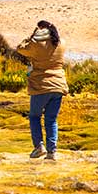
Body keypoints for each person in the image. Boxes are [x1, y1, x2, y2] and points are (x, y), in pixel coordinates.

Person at [16, 20, 68, 160]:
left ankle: (39, 147)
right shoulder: (61, 43)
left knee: (34, 116)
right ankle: (52, 151)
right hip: (58, 85)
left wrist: (31, 36)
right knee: (51, 119)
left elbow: (20, 48)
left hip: (41, 85)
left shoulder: (36, 44)